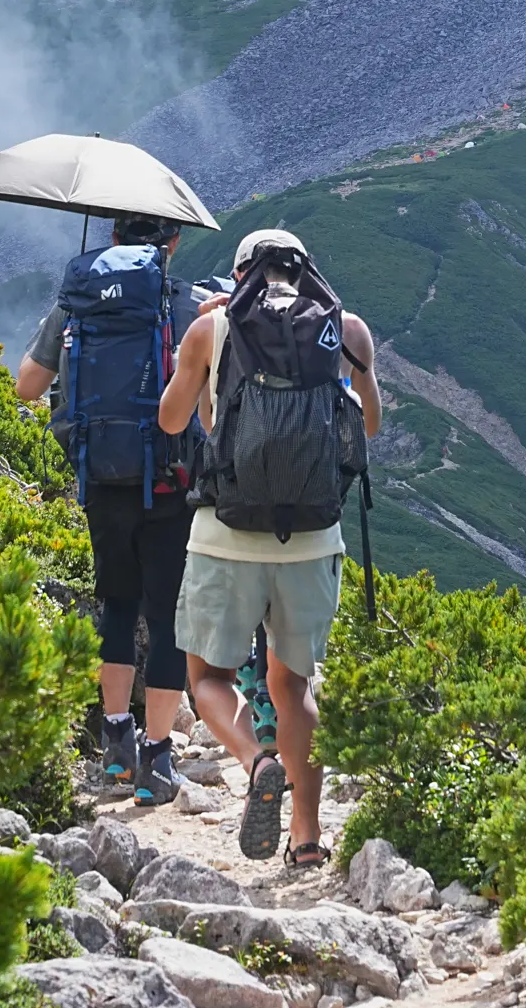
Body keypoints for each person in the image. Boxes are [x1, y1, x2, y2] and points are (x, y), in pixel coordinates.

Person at [158, 226, 380, 869]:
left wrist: (195, 362)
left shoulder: (214, 328)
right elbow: (369, 426)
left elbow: (175, 422)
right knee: (294, 687)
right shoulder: (348, 329)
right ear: (305, 273)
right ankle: (307, 838)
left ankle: (258, 762)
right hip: (312, 537)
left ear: (241, 275)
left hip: (226, 532)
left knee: (208, 676)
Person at [16, 213, 214, 806]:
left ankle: (116, 746)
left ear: (113, 239)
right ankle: (157, 760)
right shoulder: (191, 304)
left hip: (101, 476)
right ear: (173, 242)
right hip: (171, 480)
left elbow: (27, 385)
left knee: (118, 605)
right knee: (167, 613)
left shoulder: (77, 302)